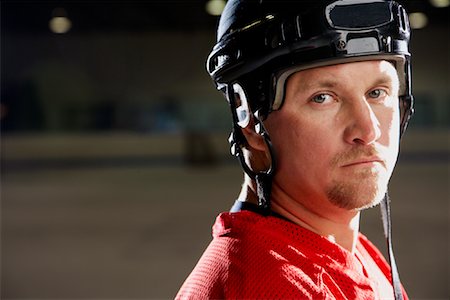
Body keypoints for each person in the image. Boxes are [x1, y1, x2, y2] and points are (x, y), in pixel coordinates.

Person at [176, 0, 414, 299]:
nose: (368, 131)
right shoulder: (266, 285)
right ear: (249, 118)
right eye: (323, 98)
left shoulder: (352, 253)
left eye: (377, 93)